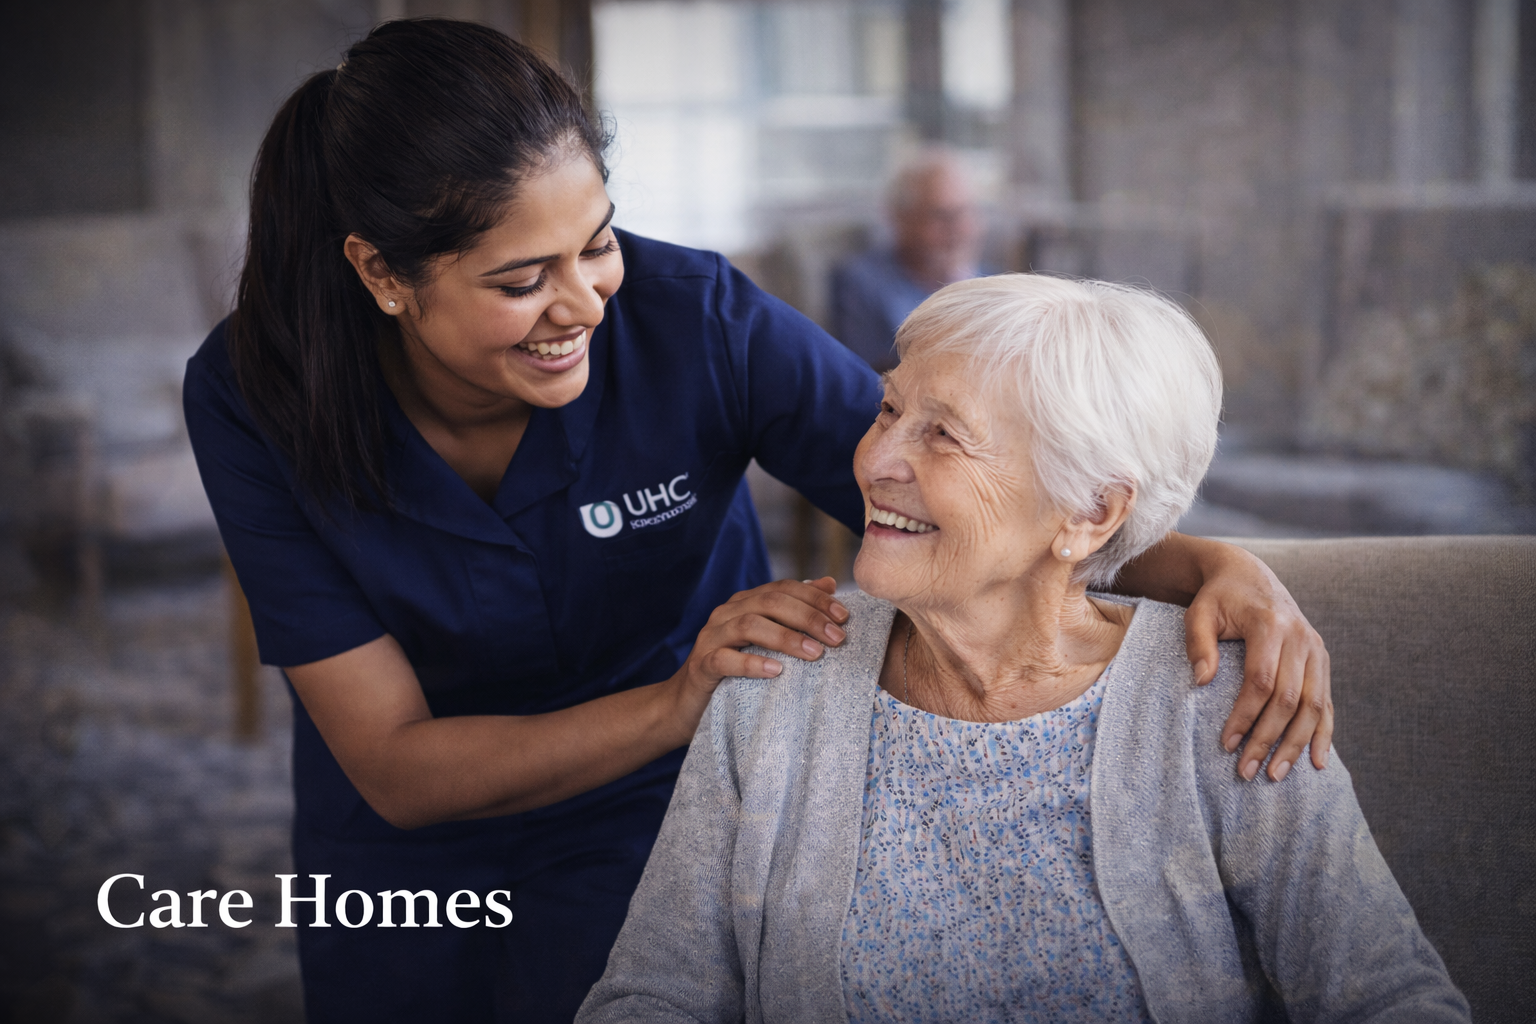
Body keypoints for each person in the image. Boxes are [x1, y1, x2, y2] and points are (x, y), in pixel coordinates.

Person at [185, 19, 1333, 1024]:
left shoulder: (697, 318)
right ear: (383, 275)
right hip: (405, 834)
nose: (582, 305)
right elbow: (395, 765)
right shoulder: (254, 394)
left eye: (598, 245)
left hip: (659, 800)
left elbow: (957, 490)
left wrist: (1217, 563)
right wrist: (680, 694)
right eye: (522, 278)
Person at [578, 275, 1467, 1023]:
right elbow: (652, 998)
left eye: (943, 434)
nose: (876, 458)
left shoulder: (1220, 703)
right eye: (887, 410)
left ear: (1090, 514)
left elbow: (1390, 999)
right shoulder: (777, 678)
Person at [830, 147, 986, 371]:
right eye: (941, 216)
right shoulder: (861, 283)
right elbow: (871, 375)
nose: (960, 229)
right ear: (900, 219)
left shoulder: (992, 281)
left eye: (967, 212)